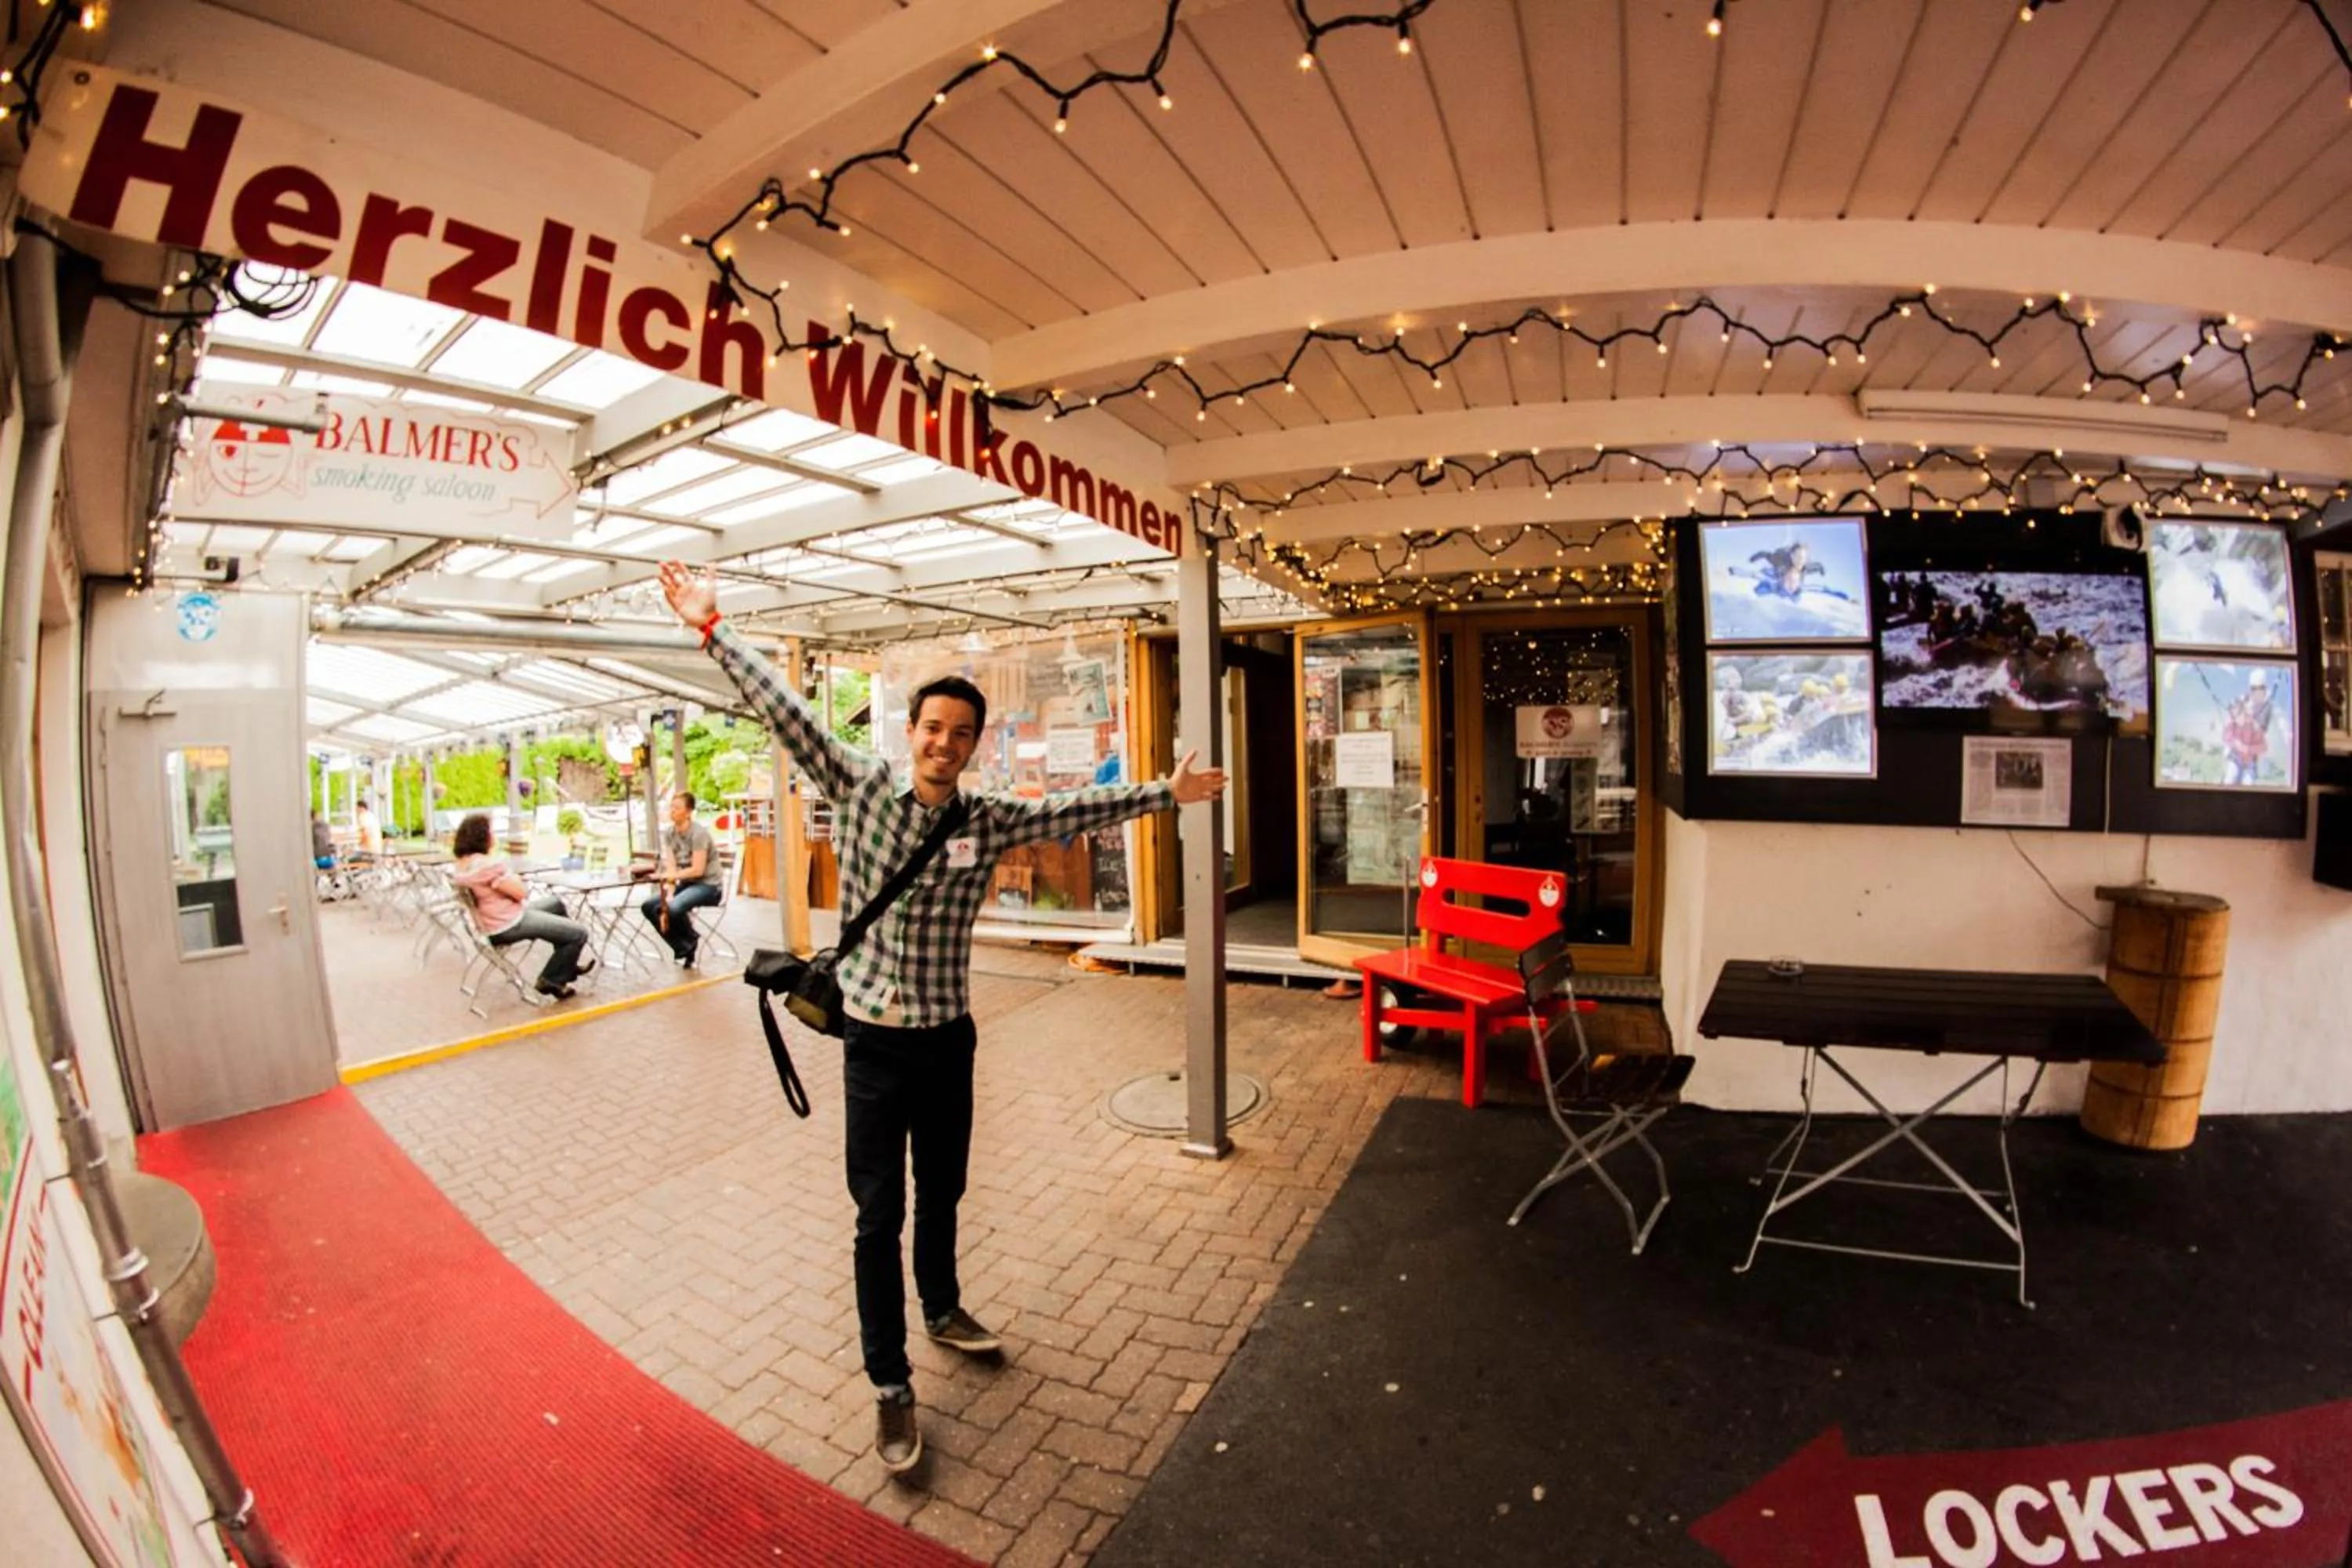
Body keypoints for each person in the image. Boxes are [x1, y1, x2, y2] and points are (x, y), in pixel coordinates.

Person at [656, 558, 1227, 1478]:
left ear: (973, 744)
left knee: (946, 1191)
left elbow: (1071, 805)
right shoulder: (860, 787)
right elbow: (785, 713)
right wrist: (712, 625)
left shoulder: (988, 819)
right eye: (932, 728)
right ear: (911, 731)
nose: (944, 743)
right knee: (878, 1213)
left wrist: (1164, 791)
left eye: (961, 734)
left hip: (949, 1040)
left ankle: (944, 1306)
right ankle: (890, 1381)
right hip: (875, 1046)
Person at [450, 811, 594, 999]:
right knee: (578, 933)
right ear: (482, 836)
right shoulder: (488, 867)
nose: (494, 836)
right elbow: (521, 893)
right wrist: (514, 879)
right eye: (491, 831)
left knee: (555, 903)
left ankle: (566, 965)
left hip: (492, 922)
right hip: (509, 924)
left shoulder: (462, 865)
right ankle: (552, 980)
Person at [640, 789, 721, 967]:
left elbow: (698, 870)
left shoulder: (699, 834)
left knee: (673, 908)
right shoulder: (669, 834)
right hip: (686, 884)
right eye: (671, 807)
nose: (672, 811)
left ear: (689, 811)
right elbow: (671, 866)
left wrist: (669, 877)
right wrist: (669, 891)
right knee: (649, 906)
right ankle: (684, 945)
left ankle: (690, 938)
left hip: (708, 886)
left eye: (677, 808)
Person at [2223, 669, 2274, 787]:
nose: (2256, 692)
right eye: (2253, 688)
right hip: (2236, 755)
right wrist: (2235, 744)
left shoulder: (2267, 706)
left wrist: (2250, 749)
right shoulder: (2242, 701)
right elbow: (2228, 730)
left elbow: (2263, 744)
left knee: (2248, 783)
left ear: (2264, 689)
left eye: (2260, 688)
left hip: (2250, 757)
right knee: (2230, 779)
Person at [354, 793, 383, 862]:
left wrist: (359, 846)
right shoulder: (371, 816)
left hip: (369, 849)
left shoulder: (363, 817)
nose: (356, 810)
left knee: (350, 858)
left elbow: (365, 834)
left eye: (357, 808)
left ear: (361, 808)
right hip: (377, 848)